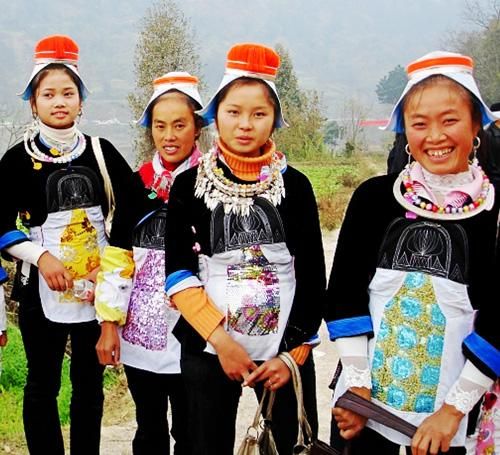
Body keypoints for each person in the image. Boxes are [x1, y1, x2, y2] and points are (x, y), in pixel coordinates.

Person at [326, 51, 499, 455]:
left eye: (449, 120)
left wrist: (452, 412)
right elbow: (345, 294)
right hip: (365, 411)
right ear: (405, 130)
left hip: (451, 422)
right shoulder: (373, 199)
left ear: (476, 124)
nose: (434, 136)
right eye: (419, 124)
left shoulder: (495, 212)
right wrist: (357, 387)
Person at [164, 43, 325, 454]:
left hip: (283, 354)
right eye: (234, 112)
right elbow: (179, 273)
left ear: (275, 119)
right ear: (215, 114)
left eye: (259, 114)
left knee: (292, 444)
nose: (245, 125)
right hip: (209, 349)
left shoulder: (296, 187)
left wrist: (292, 355)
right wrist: (222, 343)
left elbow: (312, 277)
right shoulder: (188, 186)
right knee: (205, 444)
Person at [0, 35, 132, 454]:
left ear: (81, 101)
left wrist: (108, 266)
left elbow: (135, 209)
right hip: (40, 291)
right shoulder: (16, 160)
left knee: (89, 385)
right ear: (33, 103)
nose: (59, 102)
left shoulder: (102, 153)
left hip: (97, 291)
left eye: (68, 93)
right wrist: (40, 256)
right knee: (42, 384)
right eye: (48, 94)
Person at [94, 71, 204, 454]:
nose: (169, 136)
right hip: (141, 334)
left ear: (198, 128)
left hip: (196, 334)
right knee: (149, 428)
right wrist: (109, 323)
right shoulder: (135, 185)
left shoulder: (212, 185)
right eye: (160, 126)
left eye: (179, 125)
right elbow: (117, 258)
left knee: (192, 433)